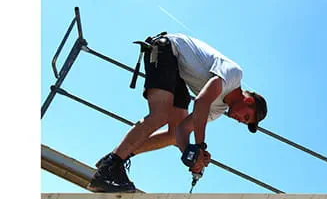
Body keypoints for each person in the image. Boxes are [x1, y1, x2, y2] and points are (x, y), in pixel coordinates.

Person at [87, 32, 268, 193]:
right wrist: (200, 147)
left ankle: (115, 159)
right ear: (249, 101)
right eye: (246, 117)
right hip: (167, 49)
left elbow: (181, 131)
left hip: (178, 73)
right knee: (160, 114)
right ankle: (111, 165)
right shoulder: (234, 75)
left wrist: (191, 156)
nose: (239, 120)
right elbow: (201, 101)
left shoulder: (217, 110)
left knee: (173, 134)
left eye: (243, 122)